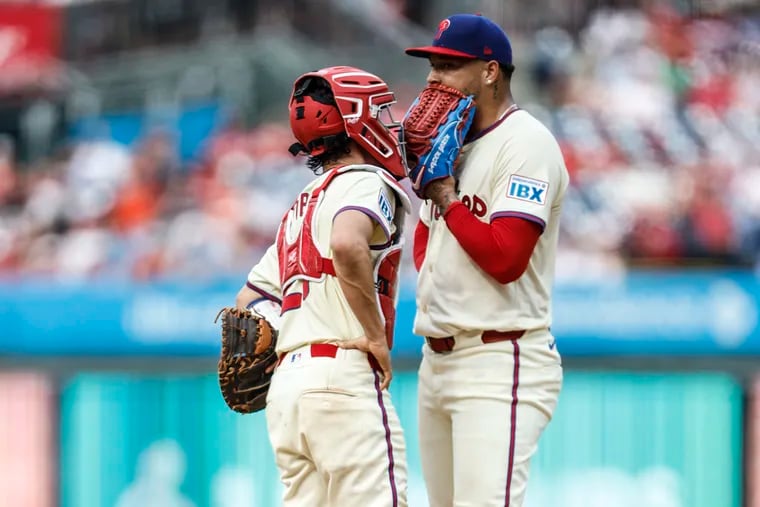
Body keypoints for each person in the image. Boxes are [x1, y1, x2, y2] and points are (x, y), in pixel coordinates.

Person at [404, 13, 569, 506]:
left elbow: (507, 259)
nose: (435, 76)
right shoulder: (451, 146)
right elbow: (425, 249)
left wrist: (449, 201)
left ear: (490, 71)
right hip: (438, 361)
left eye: (451, 65)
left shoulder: (526, 142)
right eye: (433, 63)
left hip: (499, 359)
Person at [234, 66, 410, 507]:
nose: (389, 123)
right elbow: (347, 242)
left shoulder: (300, 204)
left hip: (289, 388)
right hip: (342, 372)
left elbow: (248, 302)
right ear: (355, 120)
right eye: (380, 112)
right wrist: (374, 333)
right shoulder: (366, 181)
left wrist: (287, 350)